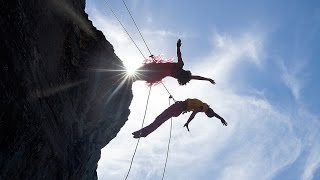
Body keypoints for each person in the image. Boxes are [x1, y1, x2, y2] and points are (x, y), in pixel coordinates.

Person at [132, 98, 227, 138]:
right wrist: (221, 118)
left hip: (178, 108)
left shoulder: (203, 106)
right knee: (159, 120)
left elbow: (194, 113)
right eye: (207, 115)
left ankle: (143, 133)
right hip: (178, 109)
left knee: (159, 120)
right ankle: (143, 132)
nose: (205, 114)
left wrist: (188, 122)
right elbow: (213, 114)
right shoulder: (204, 107)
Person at [134, 39, 215, 85]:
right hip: (156, 71)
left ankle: (132, 78)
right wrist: (207, 79)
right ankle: (133, 78)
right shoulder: (180, 70)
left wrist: (178, 47)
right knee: (137, 75)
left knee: (138, 75)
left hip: (156, 71)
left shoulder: (180, 67)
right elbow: (198, 77)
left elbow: (179, 55)